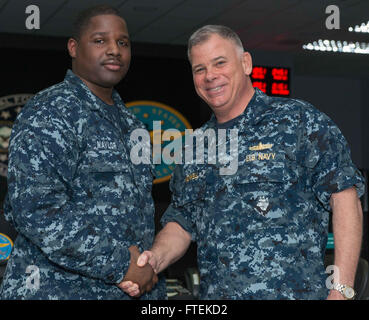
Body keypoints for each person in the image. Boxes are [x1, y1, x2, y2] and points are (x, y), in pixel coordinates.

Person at [122, 25, 365, 300]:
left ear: (245, 63)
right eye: (199, 69)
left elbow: (344, 198)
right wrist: (154, 259)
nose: (210, 76)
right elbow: (182, 223)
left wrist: (342, 290)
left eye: (219, 62)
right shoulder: (194, 146)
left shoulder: (298, 121)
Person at [0, 5, 165, 300]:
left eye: (123, 42)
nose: (114, 50)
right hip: (58, 290)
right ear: (74, 48)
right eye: (100, 40)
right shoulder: (50, 111)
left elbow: (138, 216)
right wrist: (121, 266)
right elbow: (38, 211)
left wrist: (142, 271)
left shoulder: (131, 123)